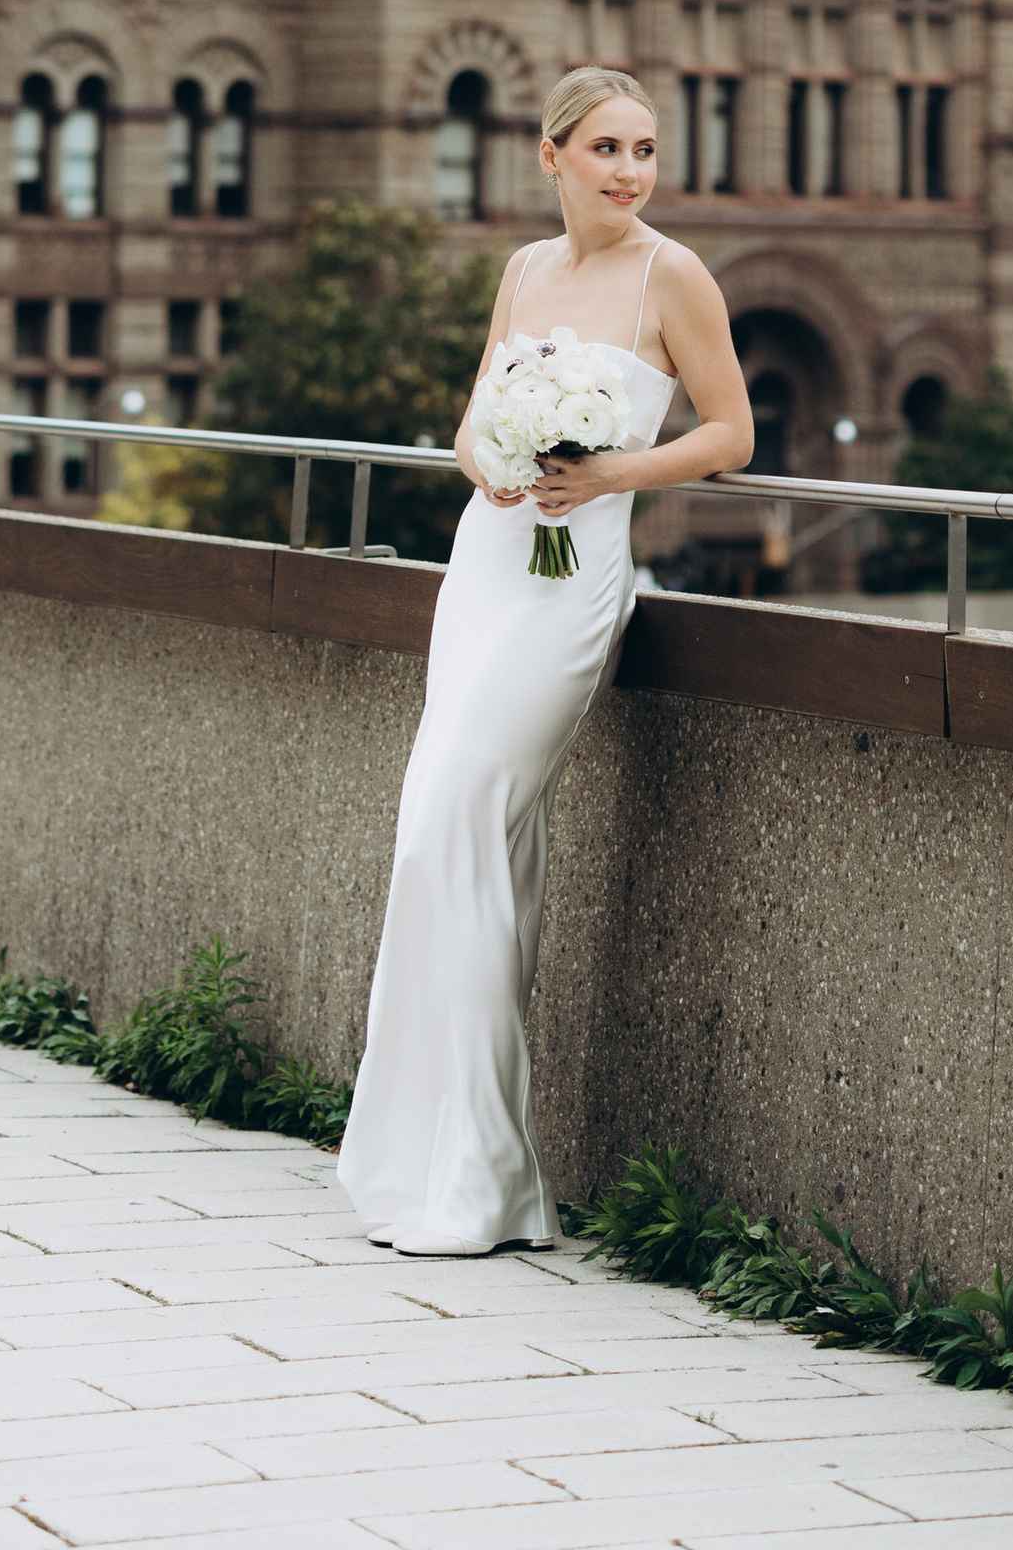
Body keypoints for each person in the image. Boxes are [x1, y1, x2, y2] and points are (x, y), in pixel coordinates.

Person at [336, 67, 751, 1256]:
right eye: (608, 148)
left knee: (453, 816)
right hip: (487, 567)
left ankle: (479, 1173)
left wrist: (610, 470)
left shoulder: (674, 274)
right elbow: (473, 414)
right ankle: (460, 1171)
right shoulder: (524, 270)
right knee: (459, 836)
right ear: (551, 156)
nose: (630, 170)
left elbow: (731, 432)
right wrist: (492, 463)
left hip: (574, 590)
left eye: (646, 150)